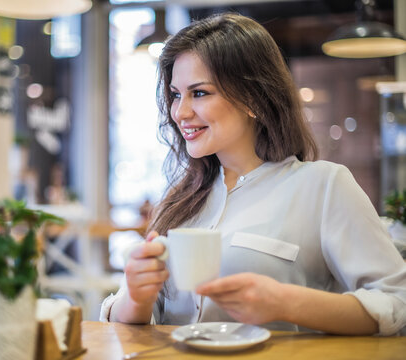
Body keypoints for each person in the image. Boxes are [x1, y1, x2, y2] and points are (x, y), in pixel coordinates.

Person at [100, 13, 406, 336]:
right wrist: (135, 295)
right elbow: (135, 320)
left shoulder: (324, 187)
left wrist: (287, 302)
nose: (180, 112)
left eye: (199, 93)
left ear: (252, 98)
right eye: (176, 94)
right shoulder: (180, 200)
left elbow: (396, 301)